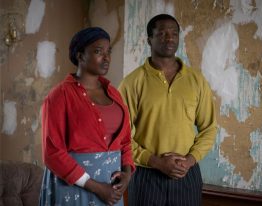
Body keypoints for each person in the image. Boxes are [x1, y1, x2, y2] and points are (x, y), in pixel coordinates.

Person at [119, 14, 217, 206]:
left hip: (186, 174)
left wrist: (188, 161)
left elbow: (209, 129)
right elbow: (122, 138)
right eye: (162, 33)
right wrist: (156, 162)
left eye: (174, 33)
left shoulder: (196, 81)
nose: (169, 38)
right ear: (149, 40)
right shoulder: (132, 83)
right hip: (146, 175)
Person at [39, 27, 135, 206]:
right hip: (74, 189)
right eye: (98, 51)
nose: (106, 58)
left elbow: (125, 143)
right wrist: (97, 187)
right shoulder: (59, 96)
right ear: (80, 55)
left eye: (109, 52)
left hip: (112, 191)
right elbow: (53, 153)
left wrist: (127, 174)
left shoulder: (114, 94)